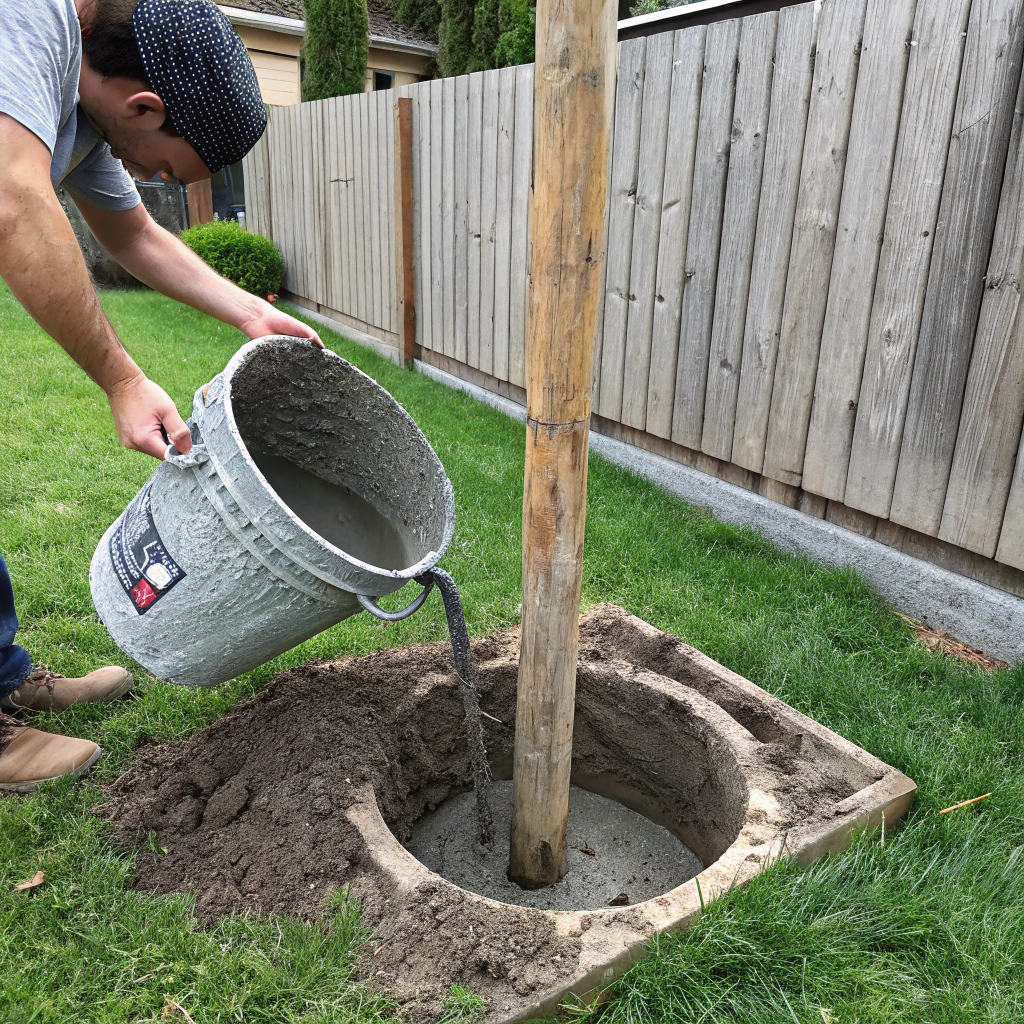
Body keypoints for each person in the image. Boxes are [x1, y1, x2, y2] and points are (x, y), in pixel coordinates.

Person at [0, 0, 322, 792]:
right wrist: (121, 378)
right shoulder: (28, 20)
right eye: (168, 166)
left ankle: (3, 676)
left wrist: (250, 312)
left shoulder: (86, 107)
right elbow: (13, 204)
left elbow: (133, 233)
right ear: (144, 106)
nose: (153, 178)